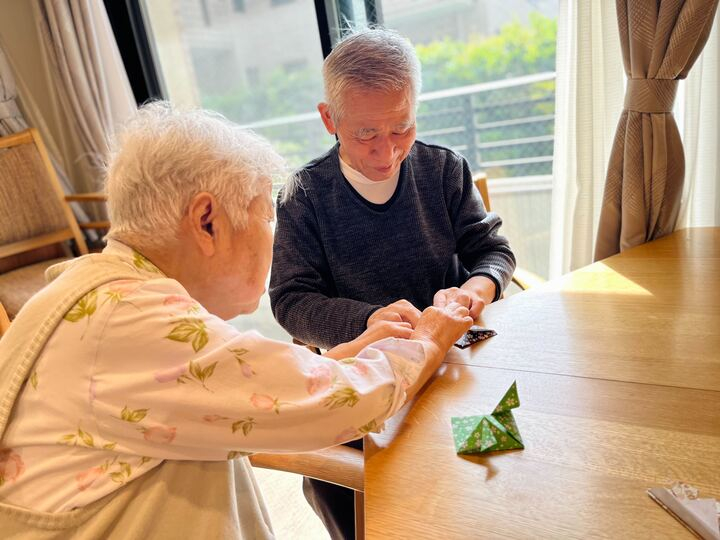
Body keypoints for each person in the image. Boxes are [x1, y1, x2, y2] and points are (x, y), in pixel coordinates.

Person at [0, 102, 473, 538]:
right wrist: (430, 337)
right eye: (266, 216)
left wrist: (350, 353)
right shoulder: (139, 324)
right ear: (207, 221)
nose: (272, 236)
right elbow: (350, 405)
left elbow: (235, 389)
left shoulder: (92, 289)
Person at [269, 28, 516, 538]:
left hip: (454, 360)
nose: (387, 151)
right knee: (341, 487)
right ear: (329, 120)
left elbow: (493, 251)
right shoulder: (304, 195)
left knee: (498, 469)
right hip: (364, 371)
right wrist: (368, 320)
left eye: (401, 128)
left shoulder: (442, 168)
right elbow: (290, 300)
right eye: (366, 134)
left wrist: (475, 290)